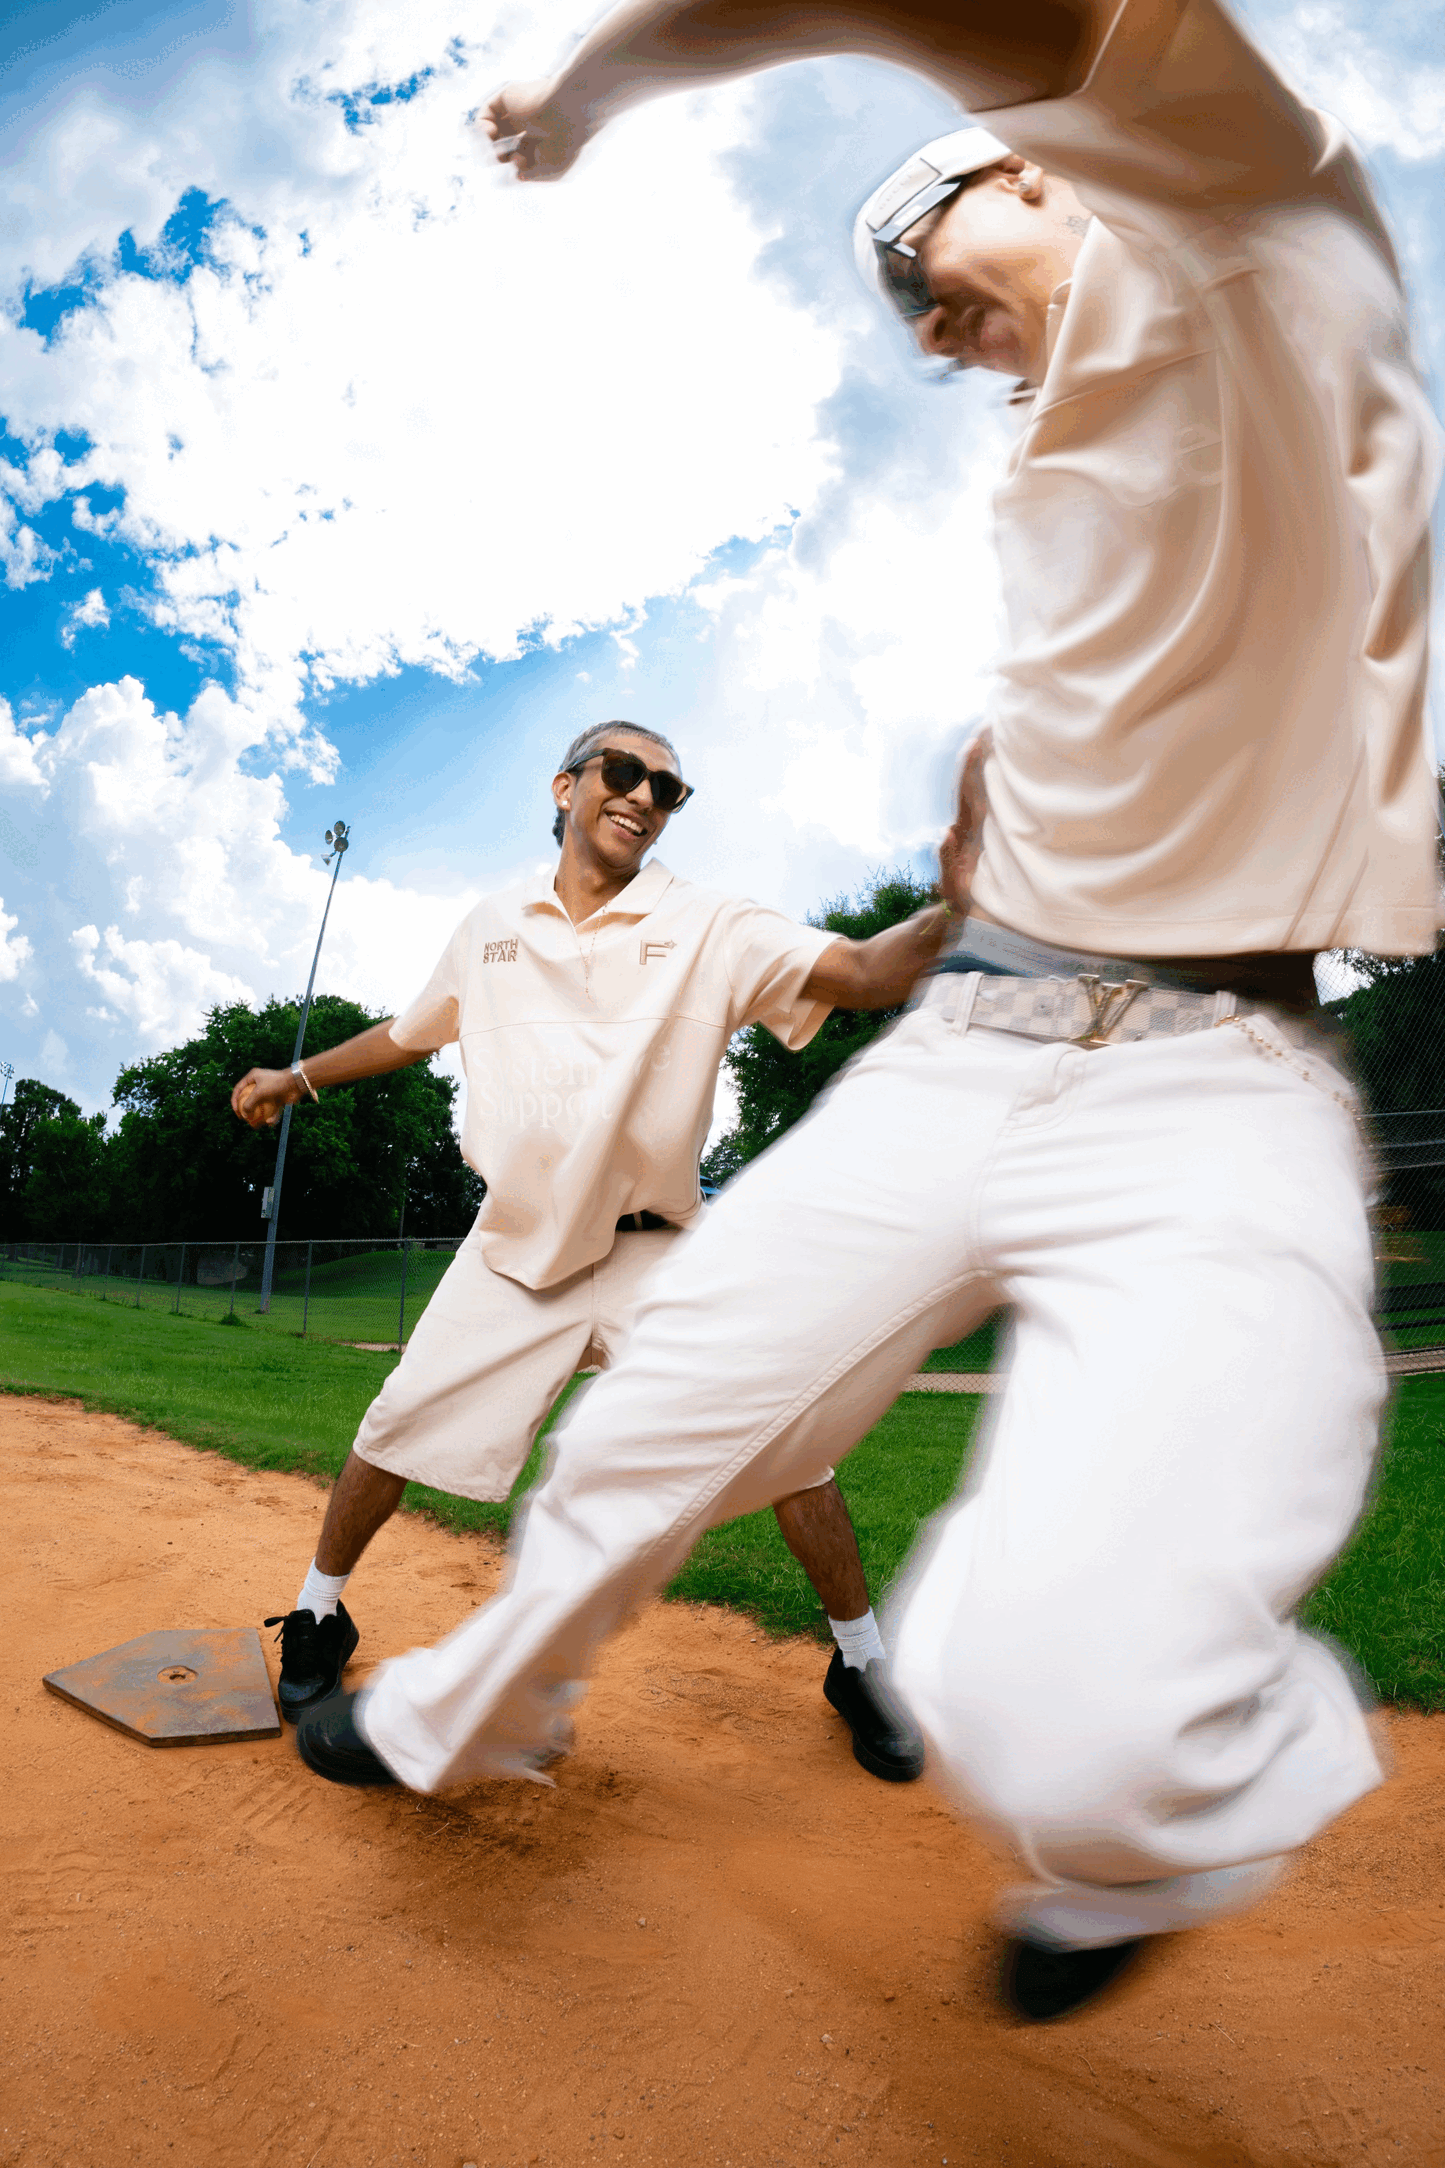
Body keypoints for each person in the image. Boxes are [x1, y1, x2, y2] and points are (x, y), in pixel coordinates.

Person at [294, 0, 1441, 2024]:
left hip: (1191, 1066)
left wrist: (589, 82)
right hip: (986, 1043)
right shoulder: (1072, 447)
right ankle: (444, 1705)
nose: (920, 338)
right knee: (652, 1420)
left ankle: (1157, 1779)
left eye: (915, 279)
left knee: (1033, 1672)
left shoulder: (1241, 216)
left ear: (1031, 167)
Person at [233, 719, 947, 1781]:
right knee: (393, 1425)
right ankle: (317, 1614)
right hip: (516, 1245)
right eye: (624, 771)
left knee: (792, 1446)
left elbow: (855, 968)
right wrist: (297, 1078)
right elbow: (406, 1030)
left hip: (659, 1254)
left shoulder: (705, 921)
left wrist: (963, 905)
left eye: (668, 785)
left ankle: (859, 1661)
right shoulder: (490, 926)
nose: (646, 794)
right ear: (566, 785)